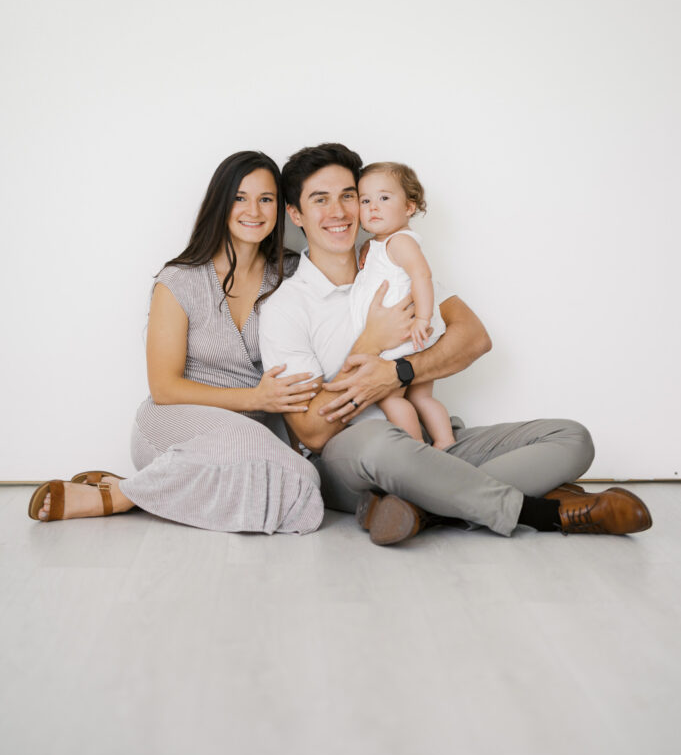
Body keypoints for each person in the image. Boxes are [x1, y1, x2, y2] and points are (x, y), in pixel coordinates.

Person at [258, 142, 652, 546]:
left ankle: (419, 508)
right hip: (353, 457)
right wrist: (370, 343)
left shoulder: (393, 267)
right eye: (320, 200)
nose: (339, 212)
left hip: (430, 446)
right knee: (381, 443)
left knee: (572, 437)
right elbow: (311, 432)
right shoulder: (285, 307)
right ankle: (543, 513)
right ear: (296, 214)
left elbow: (474, 338)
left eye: (349, 196)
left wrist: (399, 372)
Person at [28, 152, 324, 535]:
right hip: (174, 421)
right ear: (219, 204)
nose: (253, 210)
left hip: (249, 441)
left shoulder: (290, 275)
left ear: (280, 209)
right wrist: (255, 399)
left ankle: (141, 490)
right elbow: (165, 389)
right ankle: (122, 497)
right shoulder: (179, 280)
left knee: (305, 481)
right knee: (255, 448)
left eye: (265, 199)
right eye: (239, 197)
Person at [351, 161, 454, 449]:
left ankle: (416, 448)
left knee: (390, 397)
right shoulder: (380, 244)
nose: (373, 207)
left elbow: (422, 275)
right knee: (421, 396)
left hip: (407, 336)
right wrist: (367, 248)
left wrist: (422, 319)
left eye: (384, 198)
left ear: (409, 207)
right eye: (365, 200)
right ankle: (445, 440)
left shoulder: (400, 242)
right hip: (409, 336)